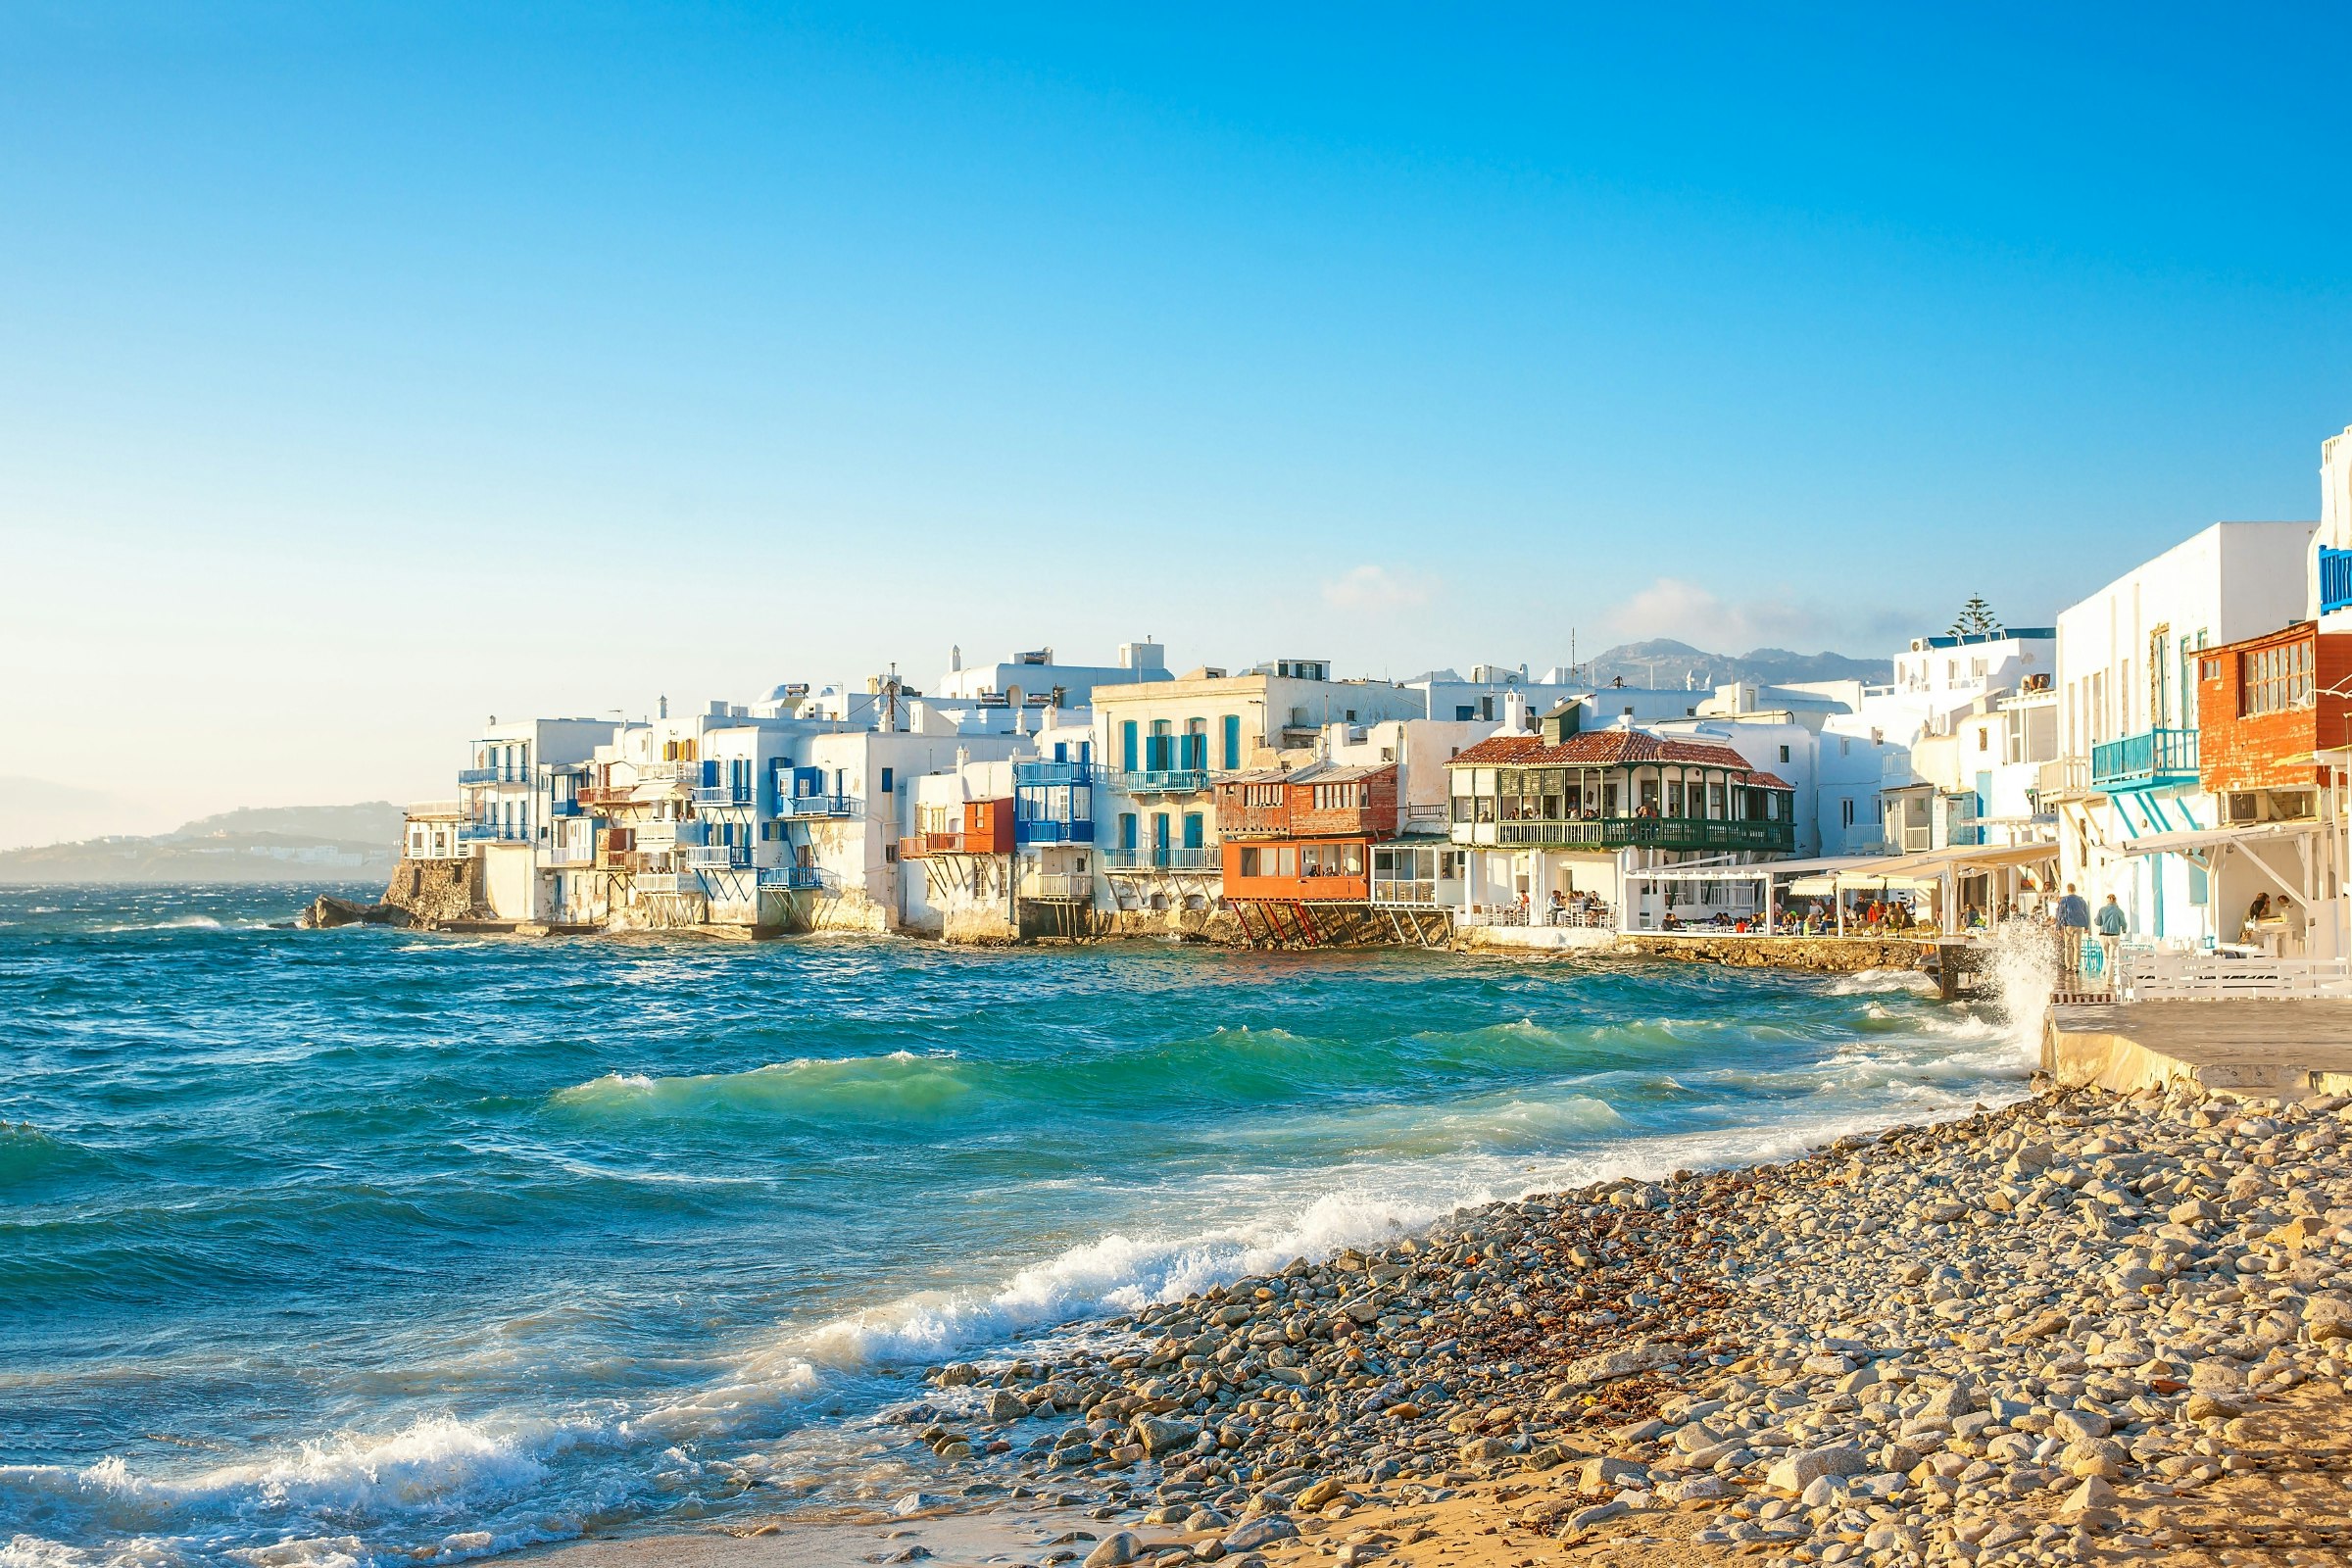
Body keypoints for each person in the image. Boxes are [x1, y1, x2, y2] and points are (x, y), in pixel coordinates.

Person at [2054, 883, 2090, 974]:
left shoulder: (2064, 900)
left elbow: (2060, 914)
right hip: (2079, 925)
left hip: (2068, 925)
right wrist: (2087, 926)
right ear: (2075, 889)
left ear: (2067, 889)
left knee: (2068, 946)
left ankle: (2069, 965)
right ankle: (2076, 965)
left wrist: (2059, 927)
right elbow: (2086, 913)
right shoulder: (2081, 900)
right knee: (2077, 946)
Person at [2095, 893, 2129, 981]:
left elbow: (2097, 922)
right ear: (2115, 900)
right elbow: (2124, 923)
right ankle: (2109, 979)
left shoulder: (2102, 910)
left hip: (2103, 936)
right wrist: (2124, 930)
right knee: (2112, 958)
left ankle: (2103, 974)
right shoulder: (2119, 911)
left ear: (2107, 900)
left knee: (2106, 957)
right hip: (2114, 936)